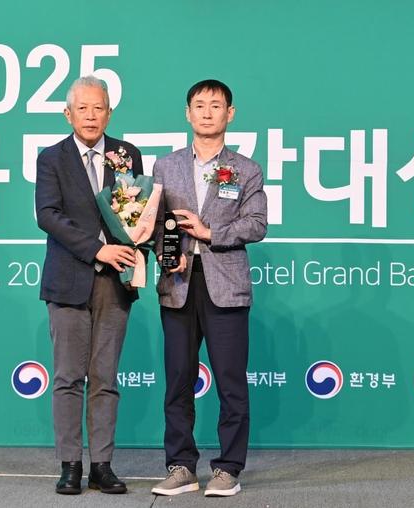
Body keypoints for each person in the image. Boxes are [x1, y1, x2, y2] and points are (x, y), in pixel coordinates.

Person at [151, 79, 267, 497]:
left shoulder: (246, 169)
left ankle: (228, 468)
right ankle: (181, 465)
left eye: (215, 105)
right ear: (187, 113)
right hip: (179, 282)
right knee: (178, 380)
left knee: (230, 382)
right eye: (199, 105)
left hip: (226, 285)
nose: (206, 111)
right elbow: (153, 225)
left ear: (229, 114)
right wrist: (168, 255)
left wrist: (209, 232)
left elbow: (257, 224)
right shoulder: (165, 167)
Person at [35, 76, 143, 495]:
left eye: (99, 108)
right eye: (83, 108)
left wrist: (140, 249)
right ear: (68, 114)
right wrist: (99, 250)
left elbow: (138, 213)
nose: (91, 116)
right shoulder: (51, 158)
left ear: (110, 113)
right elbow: (48, 215)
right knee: (67, 377)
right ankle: (70, 465)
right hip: (68, 279)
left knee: (105, 377)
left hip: (115, 282)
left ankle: (102, 464)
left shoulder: (126, 154)